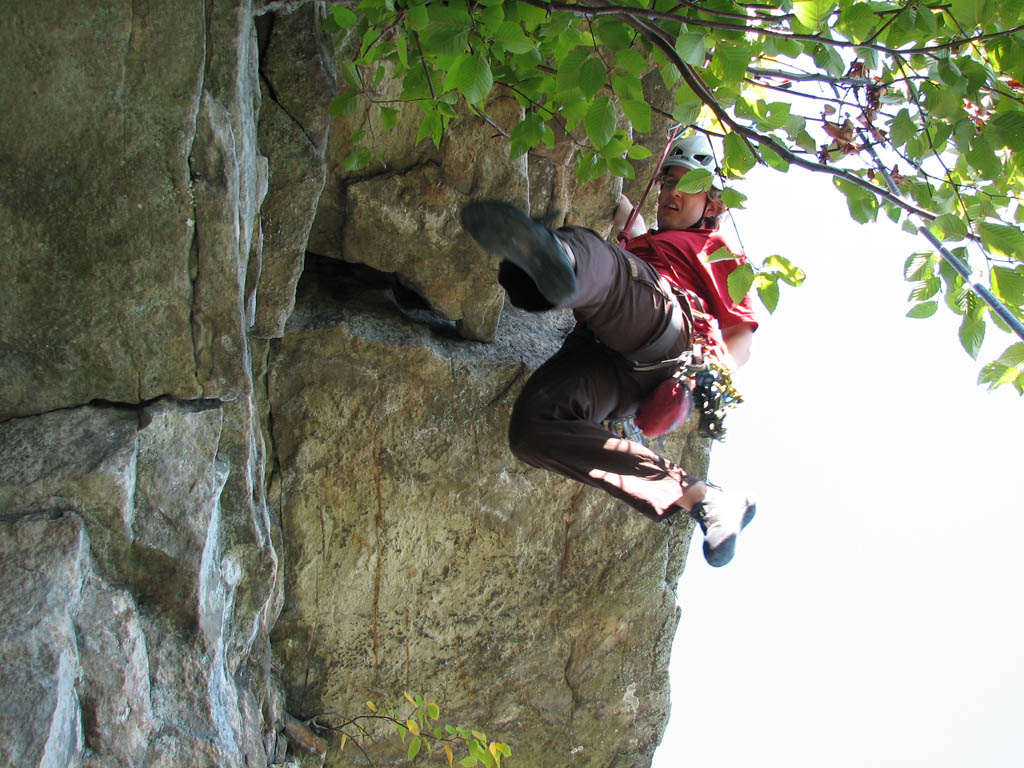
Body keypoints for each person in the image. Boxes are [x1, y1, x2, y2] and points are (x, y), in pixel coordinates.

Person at [460, 133, 758, 567]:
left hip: (666, 326)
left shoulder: (716, 249)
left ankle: (555, 258)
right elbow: (629, 218)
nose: (670, 192)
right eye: (666, 182)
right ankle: (701, 497)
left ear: (713, 204)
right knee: (534, 428)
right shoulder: (645, 242)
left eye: (686, 184)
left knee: (607, 265)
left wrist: (713, 369)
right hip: (610, 359)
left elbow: (741, 337)